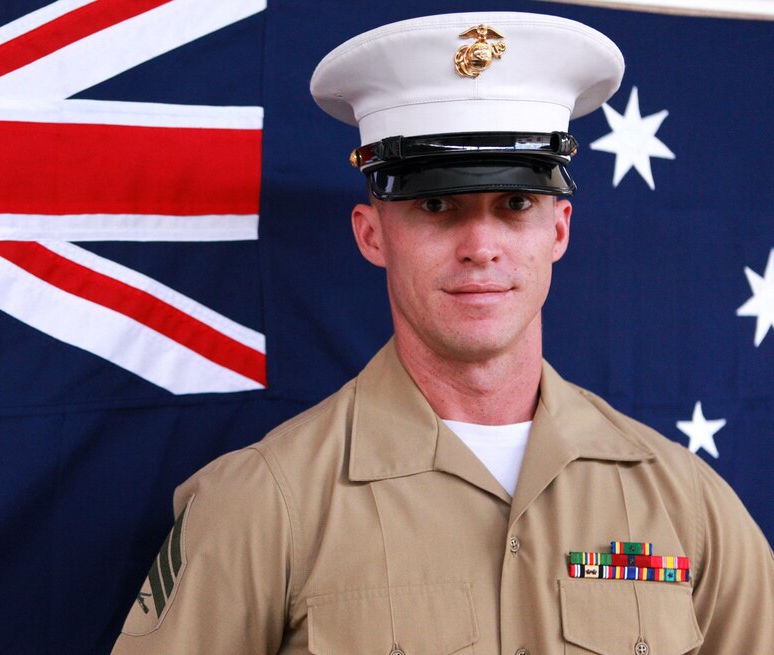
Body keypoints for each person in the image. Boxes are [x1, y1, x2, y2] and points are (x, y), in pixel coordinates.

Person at [111, 11, 774, 655]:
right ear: (372, 234)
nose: (481, 245)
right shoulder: (263, 505)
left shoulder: (687, 505)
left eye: (515, 204)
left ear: (560, 230)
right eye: (435, 205)